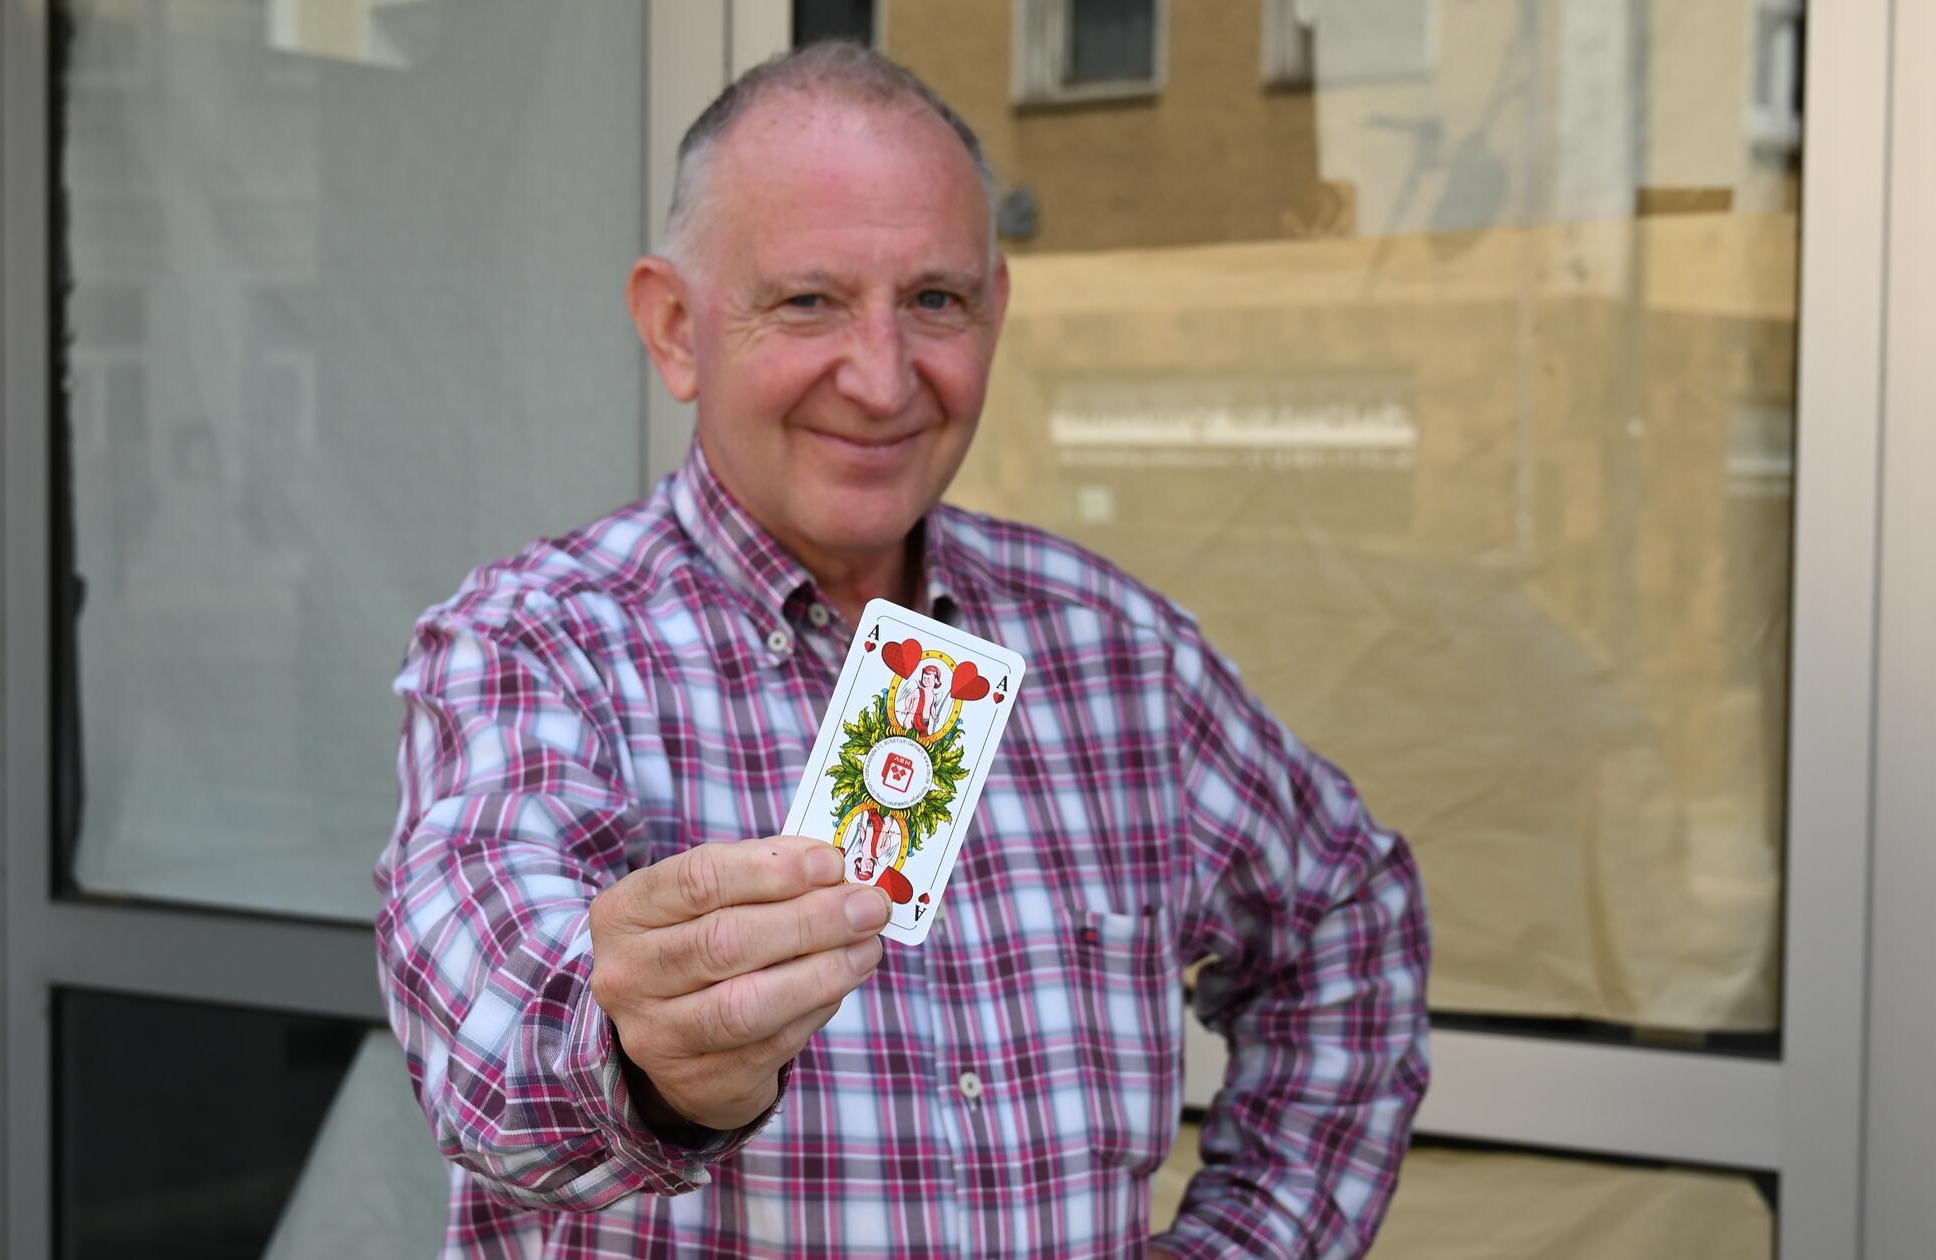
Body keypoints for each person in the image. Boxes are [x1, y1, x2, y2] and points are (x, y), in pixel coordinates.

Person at [375, 41, 1429, 1260]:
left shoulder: (1118, 655)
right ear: (674, 329)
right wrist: (644, 1060)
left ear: (997, 311)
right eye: (808, 300)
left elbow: (1346, 916)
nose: (880, 381)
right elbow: (490, 1045)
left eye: (934, 301)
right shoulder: (535, 645)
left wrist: (1249, 1242)